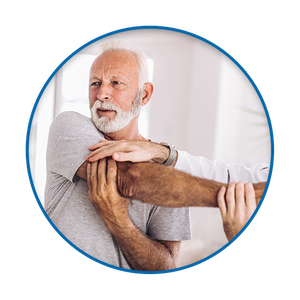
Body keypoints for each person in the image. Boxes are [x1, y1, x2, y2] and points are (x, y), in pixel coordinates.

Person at [45, 41, 192, 271]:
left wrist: (120, 222)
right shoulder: (68, 126)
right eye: (95, 83)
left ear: (144, 95)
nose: (102, 93)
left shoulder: (171, 169)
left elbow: (166, 267)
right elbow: (126, 176)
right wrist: (172, 163)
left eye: (116, 83)